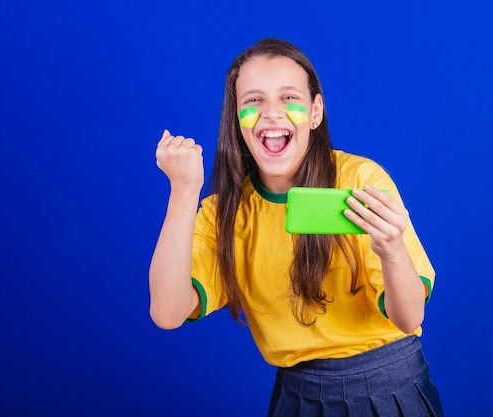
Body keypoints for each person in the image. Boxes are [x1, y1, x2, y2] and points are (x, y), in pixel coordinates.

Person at [149, 38, 444, 417]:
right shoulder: (224, 213)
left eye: (289, 98)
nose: (272, 113)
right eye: (253, 101)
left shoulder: (360, 180)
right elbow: (167, 312)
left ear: (316, 111)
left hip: (388, 390)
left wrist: (392, 251)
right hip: (295, 396)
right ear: (236, 118)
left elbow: (409, 317)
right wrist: (183, 191)